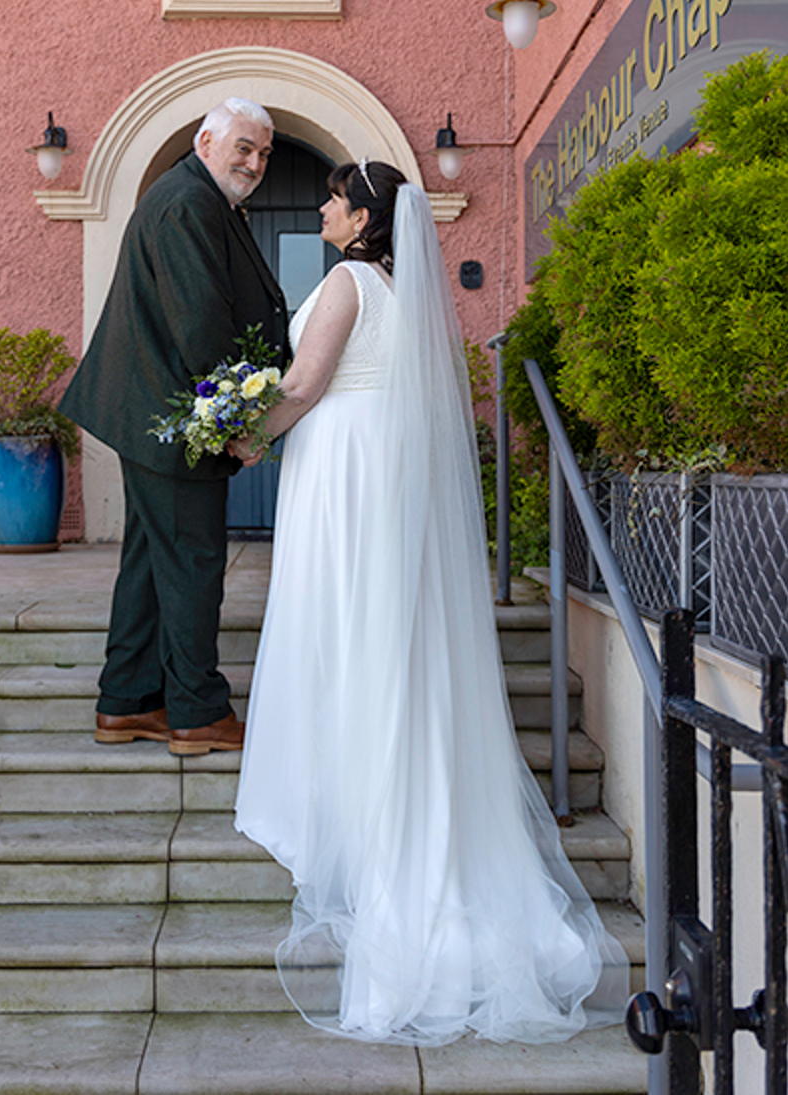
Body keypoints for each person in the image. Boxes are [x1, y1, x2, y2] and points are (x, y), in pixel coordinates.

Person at [233, 159, 629, 1046]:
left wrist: (230, 438)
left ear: (364, 215)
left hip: (344, 474)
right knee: (389, 643)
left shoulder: (343, 282)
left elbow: (302, 387)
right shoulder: (400, 292)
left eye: (336, 198)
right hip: (381, 472)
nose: (327, 208)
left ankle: (375, 838)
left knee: (347, 633)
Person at [60, 98, 289, 756]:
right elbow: (201, 325)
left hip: (154, 414)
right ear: (205, 139)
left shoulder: (194, 197)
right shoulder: (189, 201)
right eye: (243, 146)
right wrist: (234, 424)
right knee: (192, 561)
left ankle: (127, 703)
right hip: (174, 418)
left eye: (264, 152)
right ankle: (196, 712)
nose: (255, 161)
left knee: (150, 561)